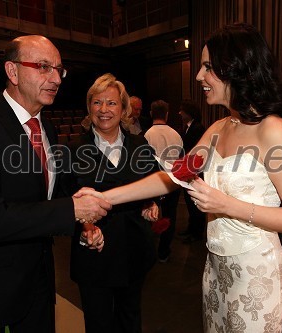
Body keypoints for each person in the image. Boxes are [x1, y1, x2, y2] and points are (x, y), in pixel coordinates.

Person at [78, 23, 282, 332]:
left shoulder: (274, 130)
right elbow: (174, 176)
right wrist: (103, 198)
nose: (198, 76)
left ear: (233, 68)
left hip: (256, 274)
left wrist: (228, 205)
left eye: (207, 67)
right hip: (216, 270)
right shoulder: (220, 128)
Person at [0, 35, 111, 333]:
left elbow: (47, 195)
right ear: (12, 72)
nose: (55, 78)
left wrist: (85, 222)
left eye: (59, 70)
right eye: (43, 67)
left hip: (37, 285)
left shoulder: (46, 128)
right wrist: (73, 210)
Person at [61, 73, 159, 333]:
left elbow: (157, 182)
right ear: (89, 107)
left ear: (124, 109)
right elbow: (63, 202)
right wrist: (84, 225)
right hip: (94, 256)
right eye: (97, 102)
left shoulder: (140, 145)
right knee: (98, 324)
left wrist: (152, 202)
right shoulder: (72, 149)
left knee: (130, 319)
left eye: (112, 103)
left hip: (134, 252)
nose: (104, 109)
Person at [144, 99, 183, 262]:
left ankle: (149, 251)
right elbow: (181, 160)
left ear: (151, 114)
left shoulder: (147, 135)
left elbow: (144, 163)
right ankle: (164, 251)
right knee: (170, 216)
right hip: (173, 182)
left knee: (149, 216)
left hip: (153, 182)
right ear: (167, 114)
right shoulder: (176, 134)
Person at [177, 99, 207, 243]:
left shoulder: (198, 128)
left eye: (182, 110)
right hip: (188, 171)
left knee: (196, 203)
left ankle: (197, 233)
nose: (180, 113)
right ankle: (191, 227)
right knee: (190, 202)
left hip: (195, 172)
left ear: (189, 112)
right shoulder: (187, 127)